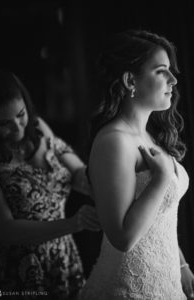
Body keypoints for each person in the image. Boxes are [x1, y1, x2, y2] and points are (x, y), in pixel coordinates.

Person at [79, 29, 194, 300]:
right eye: (161, 71)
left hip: (166, 283)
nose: (173, 80)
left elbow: (160, 216)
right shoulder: (113, 141)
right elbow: (122, 237)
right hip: (128, 290)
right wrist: (161, 179)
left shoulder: (151, 135)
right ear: (131, 79)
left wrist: (181, 263)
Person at [0, 67, 100, 300]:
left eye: (21, 114)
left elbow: (80, 173)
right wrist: (73, 223)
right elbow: (5, 230)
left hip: (64, 259)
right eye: (4, 124)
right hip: (20, 273)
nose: (18, 128)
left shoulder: (39, 127)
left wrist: (108, 174)